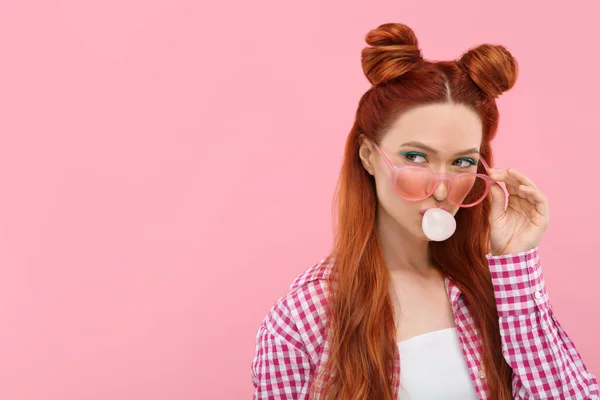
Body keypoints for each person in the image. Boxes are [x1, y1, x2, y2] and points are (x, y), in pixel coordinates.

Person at [250, 22, 599, 399]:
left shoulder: (493, 291)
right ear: (369, 156)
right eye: (416, 157)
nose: (443, 187)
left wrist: (516, 263)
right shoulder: (302, 320)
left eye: (463, 163)